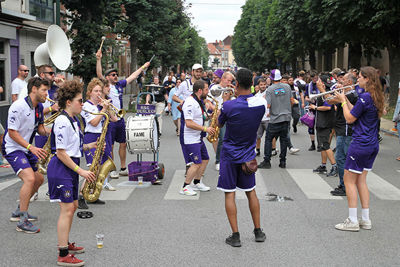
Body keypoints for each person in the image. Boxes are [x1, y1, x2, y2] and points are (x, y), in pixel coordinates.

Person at [47, 79, 97, 266]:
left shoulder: (73, 120)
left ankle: (66, 243)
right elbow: (60, 153)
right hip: (62, 168)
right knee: (67, 209)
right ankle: (63, 253)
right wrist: (81, 171)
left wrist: (89, 145)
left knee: (73, 206)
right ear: (68, 102)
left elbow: (72, 146)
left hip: (70, 166)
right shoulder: (61, 120)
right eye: (79, 100)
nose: (82, 104)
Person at [217, 68, 266, 247]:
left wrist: (225, 100)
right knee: (251, 192)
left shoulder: (229, 105)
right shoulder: (260, 104)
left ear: (236, 84)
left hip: (230, 155)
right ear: (252, 85)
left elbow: (219, 122)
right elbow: (250, 101)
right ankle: (258, 231)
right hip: (248, 155)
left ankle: (235, 236)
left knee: (229, 194)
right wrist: (238, 92)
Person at [334, 66, 384, 231]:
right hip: (372, 145)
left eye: (360, 77)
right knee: (361, 180)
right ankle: (365, 219)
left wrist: (342, 102)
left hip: (360, 144)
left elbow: (349, 118)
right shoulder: (375, 97)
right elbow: (357, 111)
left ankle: (353, 221)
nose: (358, 80)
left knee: (349, 181)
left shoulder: (364, 98)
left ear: (367, 79)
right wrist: (346, 98)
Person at [3, 77, 50, 233]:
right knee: (29, 179)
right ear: (34, 89)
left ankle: (19, 211)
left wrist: (54, 129)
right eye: (44, 90)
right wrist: (32, 147)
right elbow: (12, 132)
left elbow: (41, 129)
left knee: (39, 180)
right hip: (13, 148)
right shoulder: (18, 106)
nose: (46, 93)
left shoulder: (39, 107)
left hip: (26, 149)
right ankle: (22, 221)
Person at [96, 49, 150, 178]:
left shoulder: (119, 85)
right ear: (108, 77)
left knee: (123, 143)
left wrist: (142, 67)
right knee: (111, 145)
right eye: (113, 75)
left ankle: (123, 167)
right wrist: (98, 59)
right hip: (109, 119)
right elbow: (99, 74)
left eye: (116, 74)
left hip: (120, 118)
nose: (115, 76)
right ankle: (112, 168)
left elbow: (132, 76)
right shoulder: (105, 86)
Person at [180, 80, 215, 196]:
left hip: (197, 138)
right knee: (196, 163)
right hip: (191, 139)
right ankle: (185, 187)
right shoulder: (190, 102)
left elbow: (197, 117)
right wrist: (205, 129)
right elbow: (188, 123)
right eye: (206, 90)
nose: (208, 92)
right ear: (200, 90)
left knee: (205, 159)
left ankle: (197, 182)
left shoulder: (197, 100)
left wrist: (209, 116)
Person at [328, 73, 358, 196]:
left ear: (350, 82)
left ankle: (345, 186)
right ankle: (345, 184)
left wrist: (321, 90)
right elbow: (331, 102)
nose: (341, 80)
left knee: (342, 158)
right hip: (341, 129)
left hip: (346, 130)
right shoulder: (345, 93)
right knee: (342, 157)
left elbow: (331, 100)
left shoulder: (350, 94)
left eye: (344, 79)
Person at [258, 69, 292, 169]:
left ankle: (267, 161)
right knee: (284, 140)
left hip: (275, 119)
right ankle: (283, 161)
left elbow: (268, 105)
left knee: (268, 139)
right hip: (286, 118)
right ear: (281, 77)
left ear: (271, 78)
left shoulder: (270, 89)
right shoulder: (287, 87)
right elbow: (291, 100)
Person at [309, 79, 338, 176]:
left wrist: (315, 108)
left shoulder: (326, 95)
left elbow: (328, 107)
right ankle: (323, 165)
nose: (317, 82)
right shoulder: (322, 94)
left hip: (325, 123)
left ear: (324, 85)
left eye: (320, 81)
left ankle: (334, 166)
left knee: (325, 145)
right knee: (322, 146)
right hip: (321, 123)